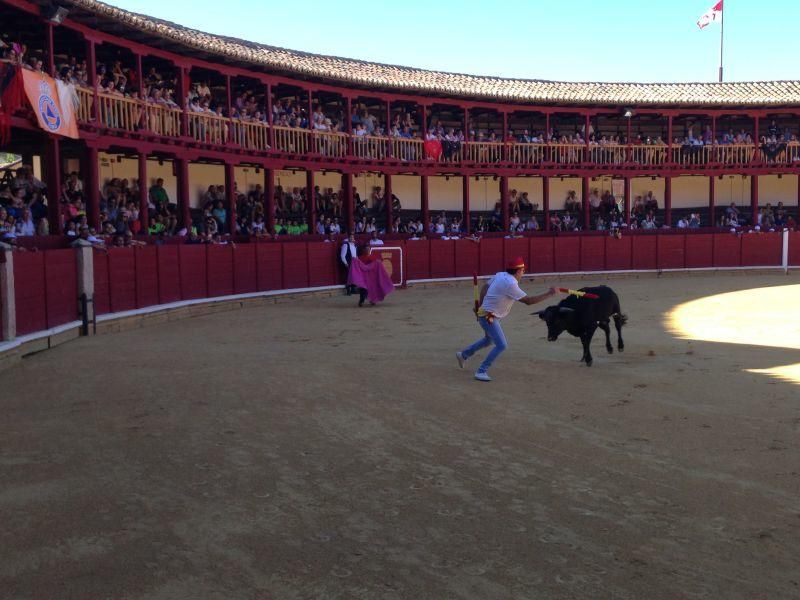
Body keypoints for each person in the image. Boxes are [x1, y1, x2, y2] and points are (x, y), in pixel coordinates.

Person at [456, 257, 556, 382]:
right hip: (489, 316)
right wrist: (550, 294)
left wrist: (481, 305)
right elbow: (528, 301)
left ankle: (463, 355)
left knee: (488, 340)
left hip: (488, 314)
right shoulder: (510, 284)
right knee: (502, 345)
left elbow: (485, 287)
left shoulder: (501, 275)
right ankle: (481, 371)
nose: (524, 272)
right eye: (523, 270)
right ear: (518, 271)